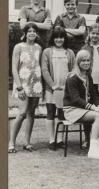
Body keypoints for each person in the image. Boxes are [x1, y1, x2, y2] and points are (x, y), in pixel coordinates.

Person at [63, 50, 99, 159]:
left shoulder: (87, 75)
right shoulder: (72, 77)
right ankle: (92, 150)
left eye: (88, 60)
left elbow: (94, 94)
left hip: (83, 109)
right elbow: (75, 99)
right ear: (78, 62)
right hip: (72, 109)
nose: (86, 63)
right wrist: (94, 108)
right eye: (83, 61)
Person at [8, 23, 43, 153]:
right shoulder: (19, 47)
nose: (32, 33)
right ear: (25, 33)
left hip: (36, 84)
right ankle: (11, 142)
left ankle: (27, 142)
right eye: (29, 31)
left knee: (31, 114)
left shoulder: (39, 47)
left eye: (34, 31)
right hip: (23, 84)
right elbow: (14, 68)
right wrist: (19, 87)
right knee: (22, 113)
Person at [41, 26, 75, 150]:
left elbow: (73, 70)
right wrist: (53, 85)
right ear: (53, 38)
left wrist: (68, 86)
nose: (59, 40)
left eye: (61, 37)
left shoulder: (69, 52)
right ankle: (51, 139)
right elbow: (44, 70)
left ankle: (59, 139)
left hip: (65, 89)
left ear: (64, 38)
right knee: (50, 112)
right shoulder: (47, 52)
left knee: (62, 114)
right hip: (52, 88)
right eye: (56, 37)